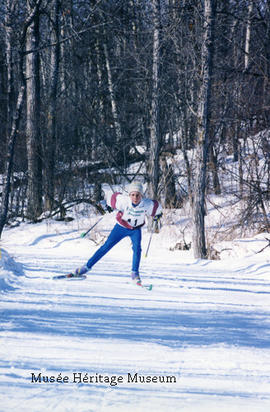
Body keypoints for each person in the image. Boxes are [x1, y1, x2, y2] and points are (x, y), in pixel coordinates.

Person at [70, 181, 162, 285]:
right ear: (129, 195)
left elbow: (157, 207)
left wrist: (158, 215)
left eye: (137, 195)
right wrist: (109, 206)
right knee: (106, 247)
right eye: (132, 195)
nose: (135, 198)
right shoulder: (123, 201)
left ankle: (135, 273)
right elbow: (113, 197)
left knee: (137, 249)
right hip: (121, 227)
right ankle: (86, 267)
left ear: (141, 195)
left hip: (135, 229)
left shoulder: (147, 204)